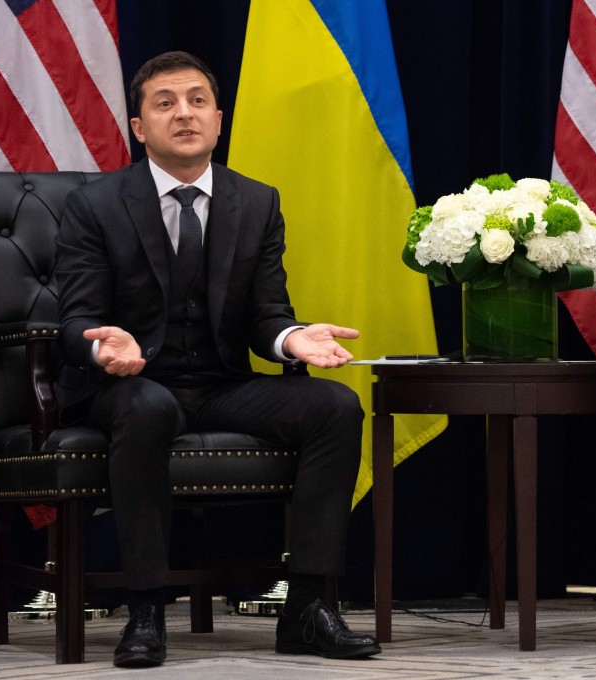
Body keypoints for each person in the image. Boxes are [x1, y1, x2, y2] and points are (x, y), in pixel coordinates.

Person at [54, 51, 380, 668]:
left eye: (198, 101)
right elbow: (75, 319)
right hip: (131, 382)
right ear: (138, 126)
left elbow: (265, 316)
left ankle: (308, 607)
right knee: (147, 408)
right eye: (165, 103)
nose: (184, 114)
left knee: (335, 405)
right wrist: (104, 344)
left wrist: (292, 338)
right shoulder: (96, 205)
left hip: (221, 381)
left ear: (219, 118)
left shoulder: (256, 202)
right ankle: (146, 609)